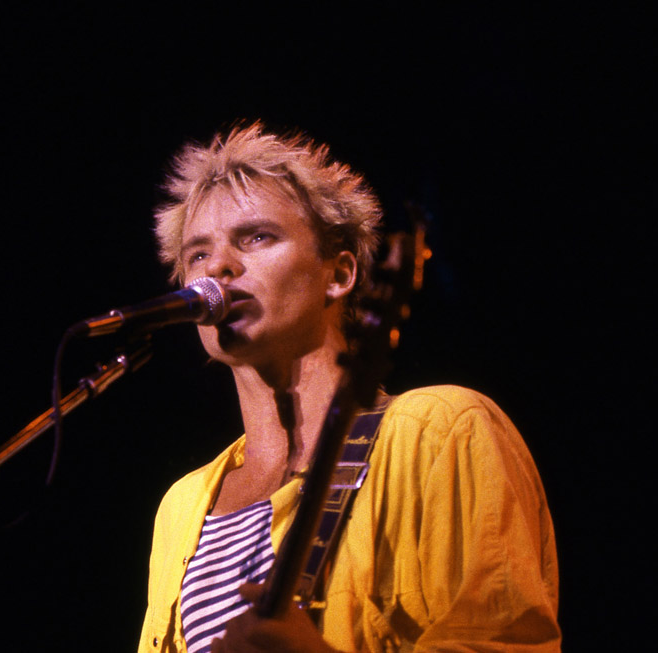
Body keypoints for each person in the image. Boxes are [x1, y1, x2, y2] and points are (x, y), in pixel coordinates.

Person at [136, 121, 560, 652]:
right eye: (197, 254)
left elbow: (505, 642)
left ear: (338, 274)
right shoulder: (181, 506)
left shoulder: (440, 431)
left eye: (257, 237)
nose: (218, 266)